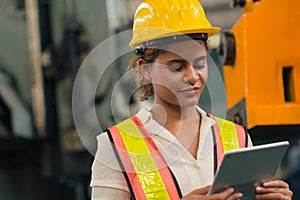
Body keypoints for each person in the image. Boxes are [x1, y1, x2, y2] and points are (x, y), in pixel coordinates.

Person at [90, 0, 293, 199]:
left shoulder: (237, 138)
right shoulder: (115, 146)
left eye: (200, 63)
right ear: (146, 69)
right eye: (177, 67)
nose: (193, 76)